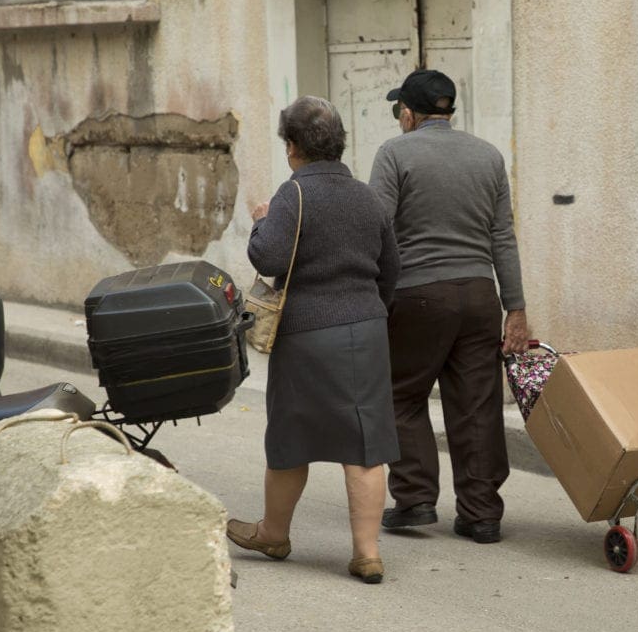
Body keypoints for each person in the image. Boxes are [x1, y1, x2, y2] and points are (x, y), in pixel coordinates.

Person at [227, 96, 400, 584]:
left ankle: (274, 533)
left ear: (292, 146)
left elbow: (269, 258)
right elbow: (392, 270)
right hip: (365, 331)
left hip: (305, 334)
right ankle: (367, 553)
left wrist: (261, 220)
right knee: (364, 447)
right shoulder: (368, 197)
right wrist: (367, 308)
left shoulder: (292, 195)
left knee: (291, 440)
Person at [368, 69, 529, 544]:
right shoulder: (489, 156)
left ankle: (415, 498)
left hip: (418, 295)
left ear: (410, 113)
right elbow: (503, 236)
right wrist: (514, 307)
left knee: (400, 393)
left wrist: (373, 298)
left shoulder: (394, 153)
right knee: (477, 404)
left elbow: (378, 229)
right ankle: (481, 514)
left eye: (400, 110)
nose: (400, 117)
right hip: (480, 295)